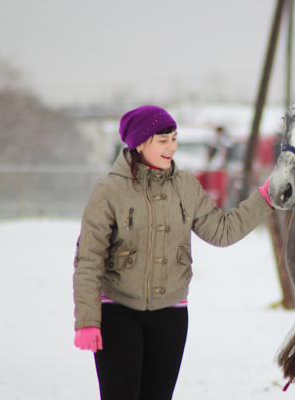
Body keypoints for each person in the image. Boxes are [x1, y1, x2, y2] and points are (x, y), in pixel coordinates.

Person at [73, 105, 274, 400]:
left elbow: (222, 231)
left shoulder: (186, 186)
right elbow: (89, 259)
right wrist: (88, 320)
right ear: (139, 143)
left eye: (174, 138)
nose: (172, 147)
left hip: (171, 315)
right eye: (163, 140)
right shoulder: (110, 191)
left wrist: (266, 197)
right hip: (117, 311)